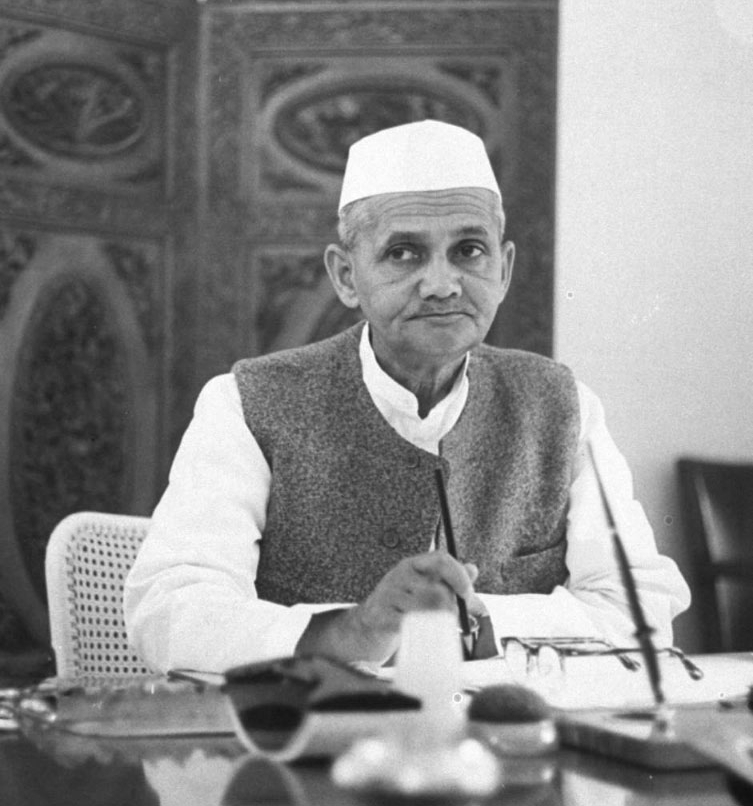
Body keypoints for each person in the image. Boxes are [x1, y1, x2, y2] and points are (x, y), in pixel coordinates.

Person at [124, 120, 690, 674]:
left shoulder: (564, 407)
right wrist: (356, 630)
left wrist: (480, 620)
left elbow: (638, 609)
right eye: (404, 253)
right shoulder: (246, 404)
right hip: (311, 749)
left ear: (504, 269)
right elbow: (170, 610)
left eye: (469, 250)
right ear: (347, 276)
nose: (442, 284)